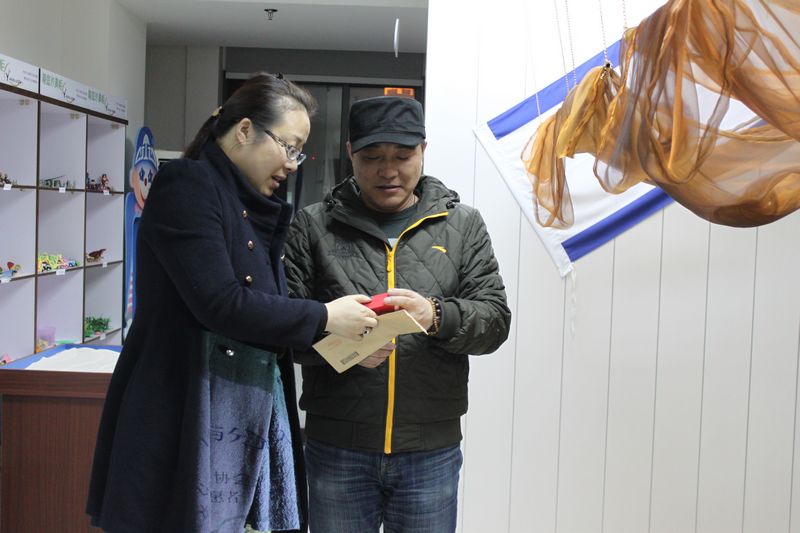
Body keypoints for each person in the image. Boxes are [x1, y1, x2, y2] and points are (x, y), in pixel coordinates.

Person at [86, 73, 378, 533]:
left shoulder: (249, 203)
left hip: (243, 410)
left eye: (299, 152)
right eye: (289, 147)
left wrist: (344, 337)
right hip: (187, 409)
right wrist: (325, 316)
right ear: (244, 130)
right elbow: (220, 304)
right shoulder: (187, 185)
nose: (293, 164)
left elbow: (264, 312)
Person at [284, 96, 512, 533]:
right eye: (372, 157)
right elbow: (284, 327)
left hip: (430, 451)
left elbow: (495, 321)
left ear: (423, 150)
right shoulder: (313, 226)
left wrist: (436, 315)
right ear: (350, 154)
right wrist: (340, 343)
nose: (388, 170)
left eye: (402, 156)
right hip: (337, 447)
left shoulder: (462, 225)